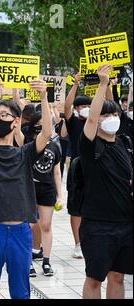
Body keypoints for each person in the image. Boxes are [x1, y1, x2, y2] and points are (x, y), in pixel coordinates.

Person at [0, 79, 52, 299]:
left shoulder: (24, 153)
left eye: (3, 115)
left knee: (20, 291)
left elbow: (46, 134)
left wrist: (44, 97)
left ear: (16, 122)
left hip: (20, 232)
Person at [79, 65, 132, 299]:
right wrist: (102, 85)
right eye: (105, 115)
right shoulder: (91, 146)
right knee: (94, 279)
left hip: (126, 223)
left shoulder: (124, 143)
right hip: (97, 225)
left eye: (114, 115)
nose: (110, 119)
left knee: (118, 276)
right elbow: (91, 118)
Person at [24, 112, 63, 277]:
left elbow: (56, 172)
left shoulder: (55, 146)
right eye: (40, 123)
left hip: (47, 189)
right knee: (30, 226)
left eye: (47, 122)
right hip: (29, 188)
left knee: (46, 225)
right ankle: (28, 262)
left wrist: (60, 195)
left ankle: (46, 261)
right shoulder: (28, 145)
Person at [64, 73, 92, 259]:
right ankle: (78, 244)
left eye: (89, 106)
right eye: (83, 106)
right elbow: (66, 106)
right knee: (76, 208)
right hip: (77, 169)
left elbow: (110, 103)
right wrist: (75, 84)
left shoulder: (98, 122)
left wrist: (106, 84)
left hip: (95, 168)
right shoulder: (73, 122)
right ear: (76, 109)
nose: (87, 109)